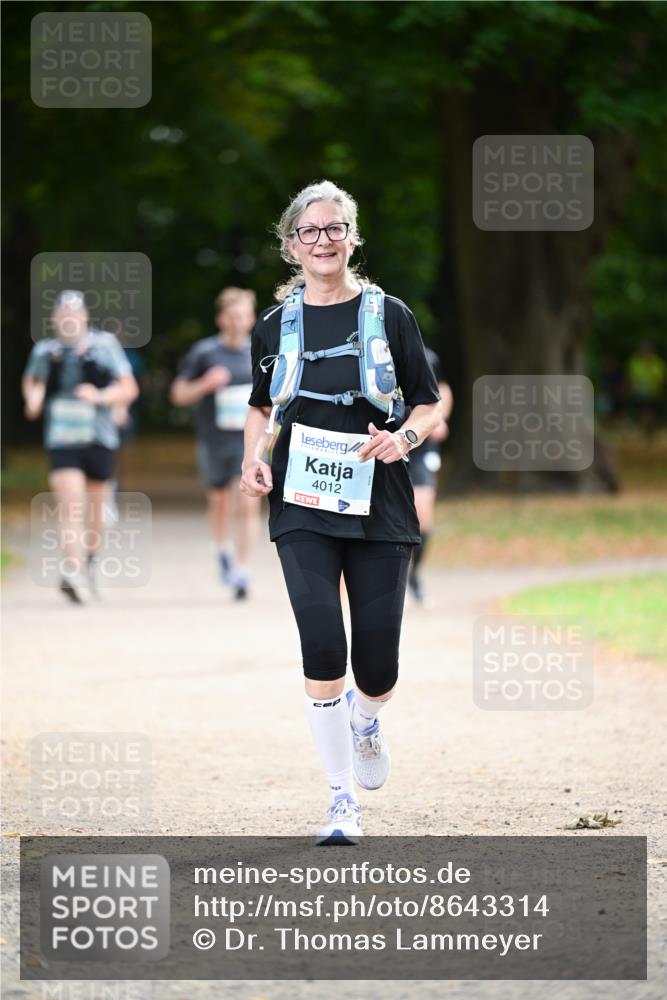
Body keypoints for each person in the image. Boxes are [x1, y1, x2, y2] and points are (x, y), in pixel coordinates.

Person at [240, 181, 443, 844]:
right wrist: (254, 458)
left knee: (376, 662)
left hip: (378, 490)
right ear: (291, 245)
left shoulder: (391, 316)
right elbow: (260, 404)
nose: (322, 240)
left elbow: (425, 399)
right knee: (322, 640)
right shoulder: (273, 326)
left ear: (352, 239)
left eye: (335, 229)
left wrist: (403, 439)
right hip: (301, 490)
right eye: (310, 231)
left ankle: (365, 718)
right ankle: (339, 801)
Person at [22, 290, 139, 603]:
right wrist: (33, 396)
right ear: (54, 319)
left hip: (100, 437)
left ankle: (90, 559)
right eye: (63, 314)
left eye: (74, 313)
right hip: (62, 437)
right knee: (70, 504)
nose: (68, 319)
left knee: (96, 511)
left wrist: (100, 397)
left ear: (85, 316)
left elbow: (128, 387)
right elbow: (32, 379)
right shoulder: (45, 351)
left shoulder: (105, 346)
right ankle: (72, 570)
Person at [170, 288, 259, 599]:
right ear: (221, 319)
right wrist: (205, 384)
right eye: (232, 316)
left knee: (248, 503)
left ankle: (244, 569)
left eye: (243, 315)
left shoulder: (261, 352)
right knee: (220, 501)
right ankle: (221, 548)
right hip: (213, 440)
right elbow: (178, 394)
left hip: (249, 443)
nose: (237, 321)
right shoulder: (205, 353)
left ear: (251, 318)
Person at [407, 347, 452, 603]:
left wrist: (440, 418)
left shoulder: (427, 356)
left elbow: (443, 390)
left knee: (423, 517)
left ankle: (415, 574)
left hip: (421, 448)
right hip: (383, 445)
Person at [626, 341, 666, 440]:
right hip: (639, 393)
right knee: (643, 412)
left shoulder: (658, 363)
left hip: (654, 393)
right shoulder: (635, 362)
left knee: (649, 412)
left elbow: (661, 379)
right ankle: (644, 432)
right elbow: (631, 377)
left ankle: (648, 432)